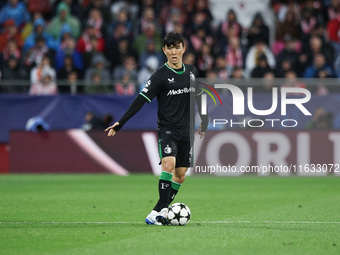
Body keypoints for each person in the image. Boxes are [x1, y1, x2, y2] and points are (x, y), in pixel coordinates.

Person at [105, 32, 208, 225]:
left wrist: (204, 118)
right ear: (164, 51)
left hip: (186, 132)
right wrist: (122, 121)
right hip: (168, 129)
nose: (174, 52)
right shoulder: (160, 76)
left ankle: (156, 213)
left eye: (177, 47)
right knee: (168, 165)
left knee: (181, 175)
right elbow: (141, 99)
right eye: (169, 48)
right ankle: (161, 210)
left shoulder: (192, 71)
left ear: (183, 49)